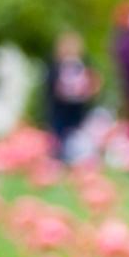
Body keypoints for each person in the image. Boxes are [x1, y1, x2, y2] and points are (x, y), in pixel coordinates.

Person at [43, 31, 100, 162]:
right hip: (60, 110)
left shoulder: (83, 63)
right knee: (59, 136)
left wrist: (88, 88)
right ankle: (58, 158)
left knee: (77, 136)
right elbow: (52, 88)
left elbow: (92, 83)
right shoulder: (55, 65)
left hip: (78, 109)